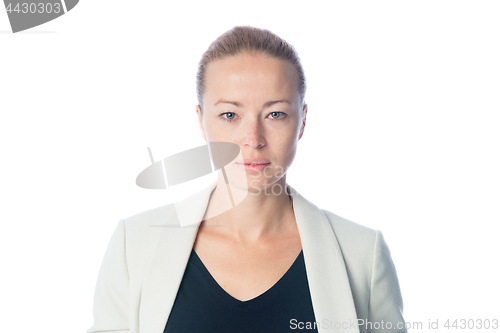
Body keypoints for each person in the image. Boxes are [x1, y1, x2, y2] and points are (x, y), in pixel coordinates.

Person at [86, 26, 407, 333]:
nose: (253, 139)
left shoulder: (363, 254)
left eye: (275, 114)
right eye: (230, 115)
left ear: (303, 121)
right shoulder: (135, 244)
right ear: (201, 121)